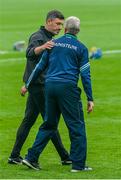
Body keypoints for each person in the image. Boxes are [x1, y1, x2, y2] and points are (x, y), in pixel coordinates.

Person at [21, 16, 94, 172]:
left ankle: (31, 157)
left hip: (50, 87)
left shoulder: (53, 44)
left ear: (66, 29)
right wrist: (90, 98)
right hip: (67, 88)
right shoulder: (81, 48)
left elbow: (40, 67)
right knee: (76, 126)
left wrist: (27, 84)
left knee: (49, 124)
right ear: (78, 31)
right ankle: (78, 165)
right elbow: (85, 75)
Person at [8, 10, 71, 165]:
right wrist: (42, 47)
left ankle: (14, 156)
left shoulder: (49, 38)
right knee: (50, 122)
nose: (59, 27)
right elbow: (30, 53)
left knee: (28, 120)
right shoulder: (38, 37)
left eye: (61, 25)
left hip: (37, 85)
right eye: (57, 24)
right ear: (48, 21)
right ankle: (65, 157)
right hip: (40, 87)